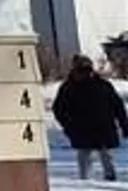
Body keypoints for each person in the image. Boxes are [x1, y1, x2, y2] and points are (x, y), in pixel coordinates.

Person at [53, 53, 125, 181]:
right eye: (82, 70)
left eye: (88, 69)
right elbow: (59, 109)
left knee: (107, 159)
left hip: (103, 128)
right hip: (82, 130)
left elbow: (117, 106)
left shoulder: (103, 85)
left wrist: (124, 124)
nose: (86, 73)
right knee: (85, 161)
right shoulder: (68, 88)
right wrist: (69, 126)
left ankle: (110, 180)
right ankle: (85, 184)